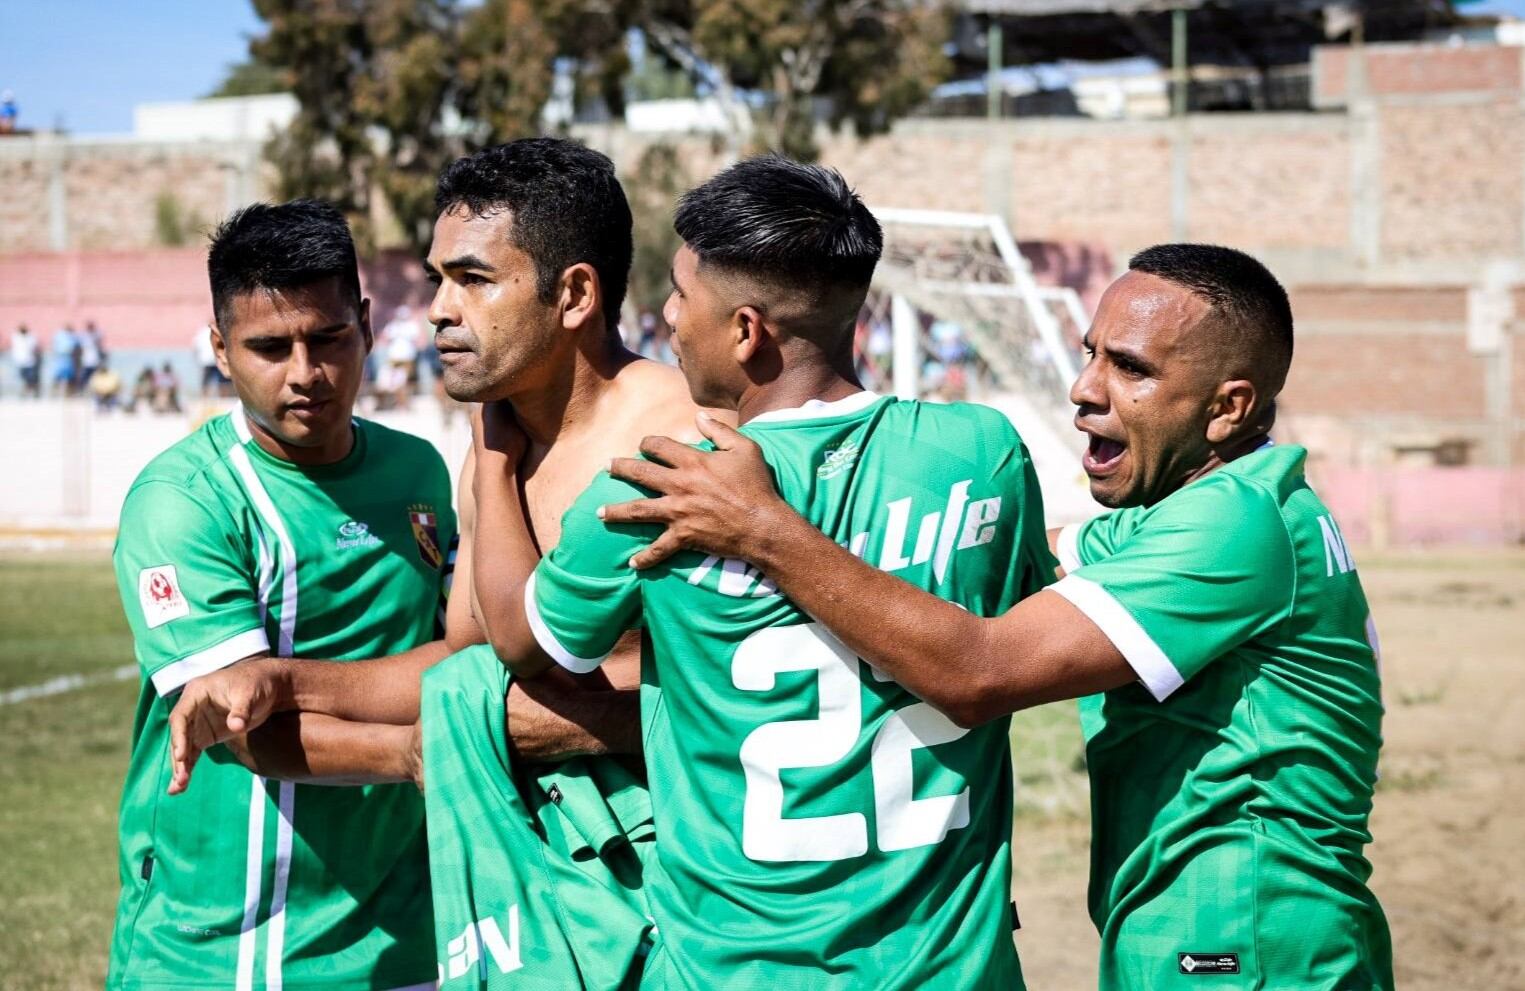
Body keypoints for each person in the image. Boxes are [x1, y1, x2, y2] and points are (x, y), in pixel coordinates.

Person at [602, 244, 1393, 990]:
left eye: (1131, 368)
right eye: (1091, 352)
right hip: (1217, 932)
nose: (1085, 388)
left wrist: (765, 529)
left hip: (1246, 943)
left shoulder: (1230, 528)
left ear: (1229, 406)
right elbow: (1024, 559)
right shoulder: (1206, 511)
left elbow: (979, 673)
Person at [472, 156, 1056, 987]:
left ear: (746, 331)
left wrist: (491, 465)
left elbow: (524, 641)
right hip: (954, 969)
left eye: (681, 294)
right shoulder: (982, 452)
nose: (667, 316)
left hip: (736, 969)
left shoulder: (659, 485)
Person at [163, 139, 703, 989]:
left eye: (474, 280)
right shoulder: (488, 446)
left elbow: (707, 699)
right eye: (438, 278)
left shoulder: (677, 445)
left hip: (672, 889)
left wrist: (438, 748)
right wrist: (279, 680)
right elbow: (465, 663)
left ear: (573, 294)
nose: (439, 310)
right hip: (528, 881)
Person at [107, 199, 455, 991]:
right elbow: (245, 730)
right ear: (221, 350)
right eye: (269, 346)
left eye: (328, 336)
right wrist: (416, 751)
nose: (305, 371)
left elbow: (458, 651)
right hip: (223, 945)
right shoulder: (183, 499)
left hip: (403, 935)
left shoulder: (420, 472)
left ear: (365, 325)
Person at [193, 320, 227, 397]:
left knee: (206, 381)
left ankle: (204, 397)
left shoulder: (201, 333)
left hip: (206, 361)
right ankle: (223, 397)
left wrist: (198, 359)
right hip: (215, 360)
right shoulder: (218, 332)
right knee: (222, 380)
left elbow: (195, 348)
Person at [10, 324, 40, 397]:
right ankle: (25, 391)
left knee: (31, 378)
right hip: (20, 361)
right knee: (22, 378)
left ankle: (31, 392)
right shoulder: (15, 337)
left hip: (30, 362)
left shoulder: (31, 337)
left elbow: (34, 348)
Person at [49, 322, 78, 396]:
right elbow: (54, 346)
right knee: (57, 377)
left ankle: (66, 393)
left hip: (68, 359)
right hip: (60, 359)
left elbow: (74, 348)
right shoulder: (59, 335)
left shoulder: (72, 336)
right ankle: (55, 393)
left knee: (67, 378)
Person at [79, 319, 105, 388]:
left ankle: (95, 389)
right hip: (86, 359)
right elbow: (81, 347)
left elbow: (99, 344)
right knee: (84, 375)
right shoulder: (84, 335)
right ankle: (83, 388)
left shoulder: (96, 335)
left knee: (95, 376)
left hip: (95, 359)